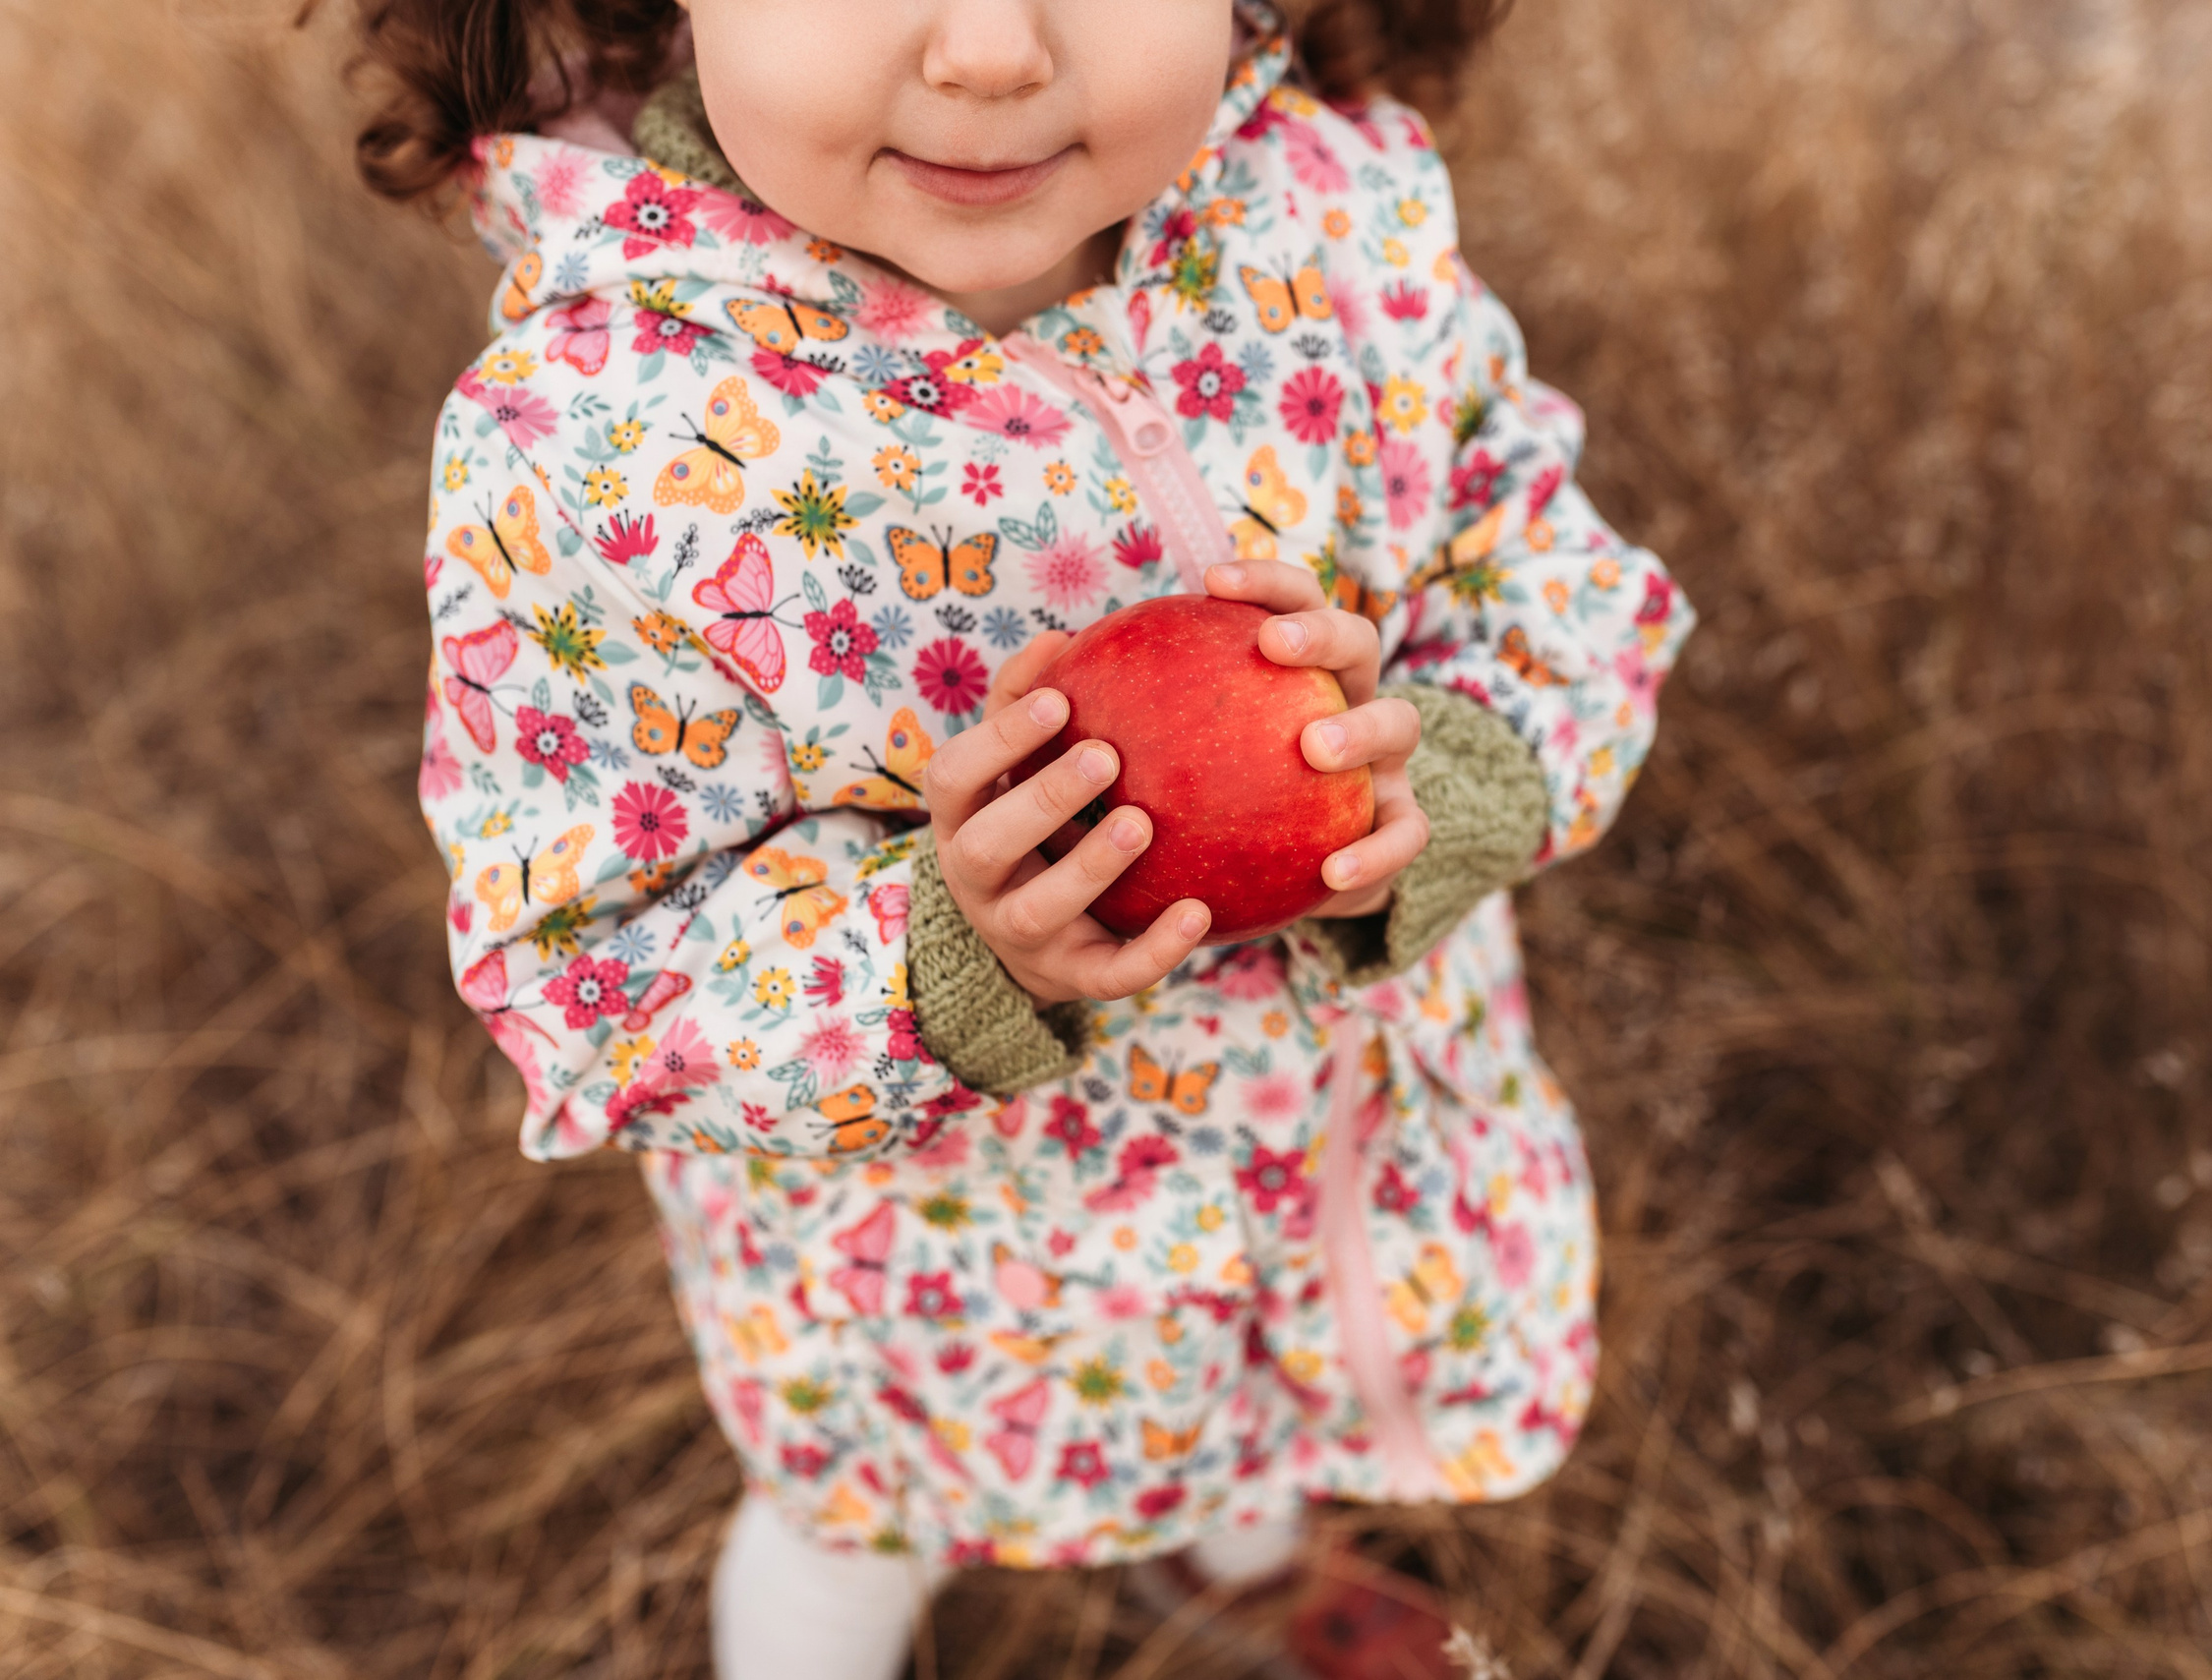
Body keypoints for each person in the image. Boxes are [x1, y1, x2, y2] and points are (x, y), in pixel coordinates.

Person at [358, 0, 1690, 1672]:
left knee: (1270, 1435)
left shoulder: (1329, 209)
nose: (990, 51)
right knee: (852, 1543)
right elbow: (591, 974)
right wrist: (945, 950)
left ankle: (1235, 1575)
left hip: (1341, 1162)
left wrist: (1439, 776)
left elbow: (1548, 567)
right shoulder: (593, 439)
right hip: (934, 1306)